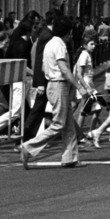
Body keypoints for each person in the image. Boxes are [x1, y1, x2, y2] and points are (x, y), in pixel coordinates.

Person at [20, 16, 80, 168]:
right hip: (59, 84)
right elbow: (64, 69)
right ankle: (29, 147)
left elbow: (42, 67)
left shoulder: (49, 43)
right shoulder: (59, 46)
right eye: (70, 33)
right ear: (67, 32)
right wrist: (79, 87)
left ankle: (70, 157)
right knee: (59, 123)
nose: (71, 36)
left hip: (52, 84)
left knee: (69, 124)